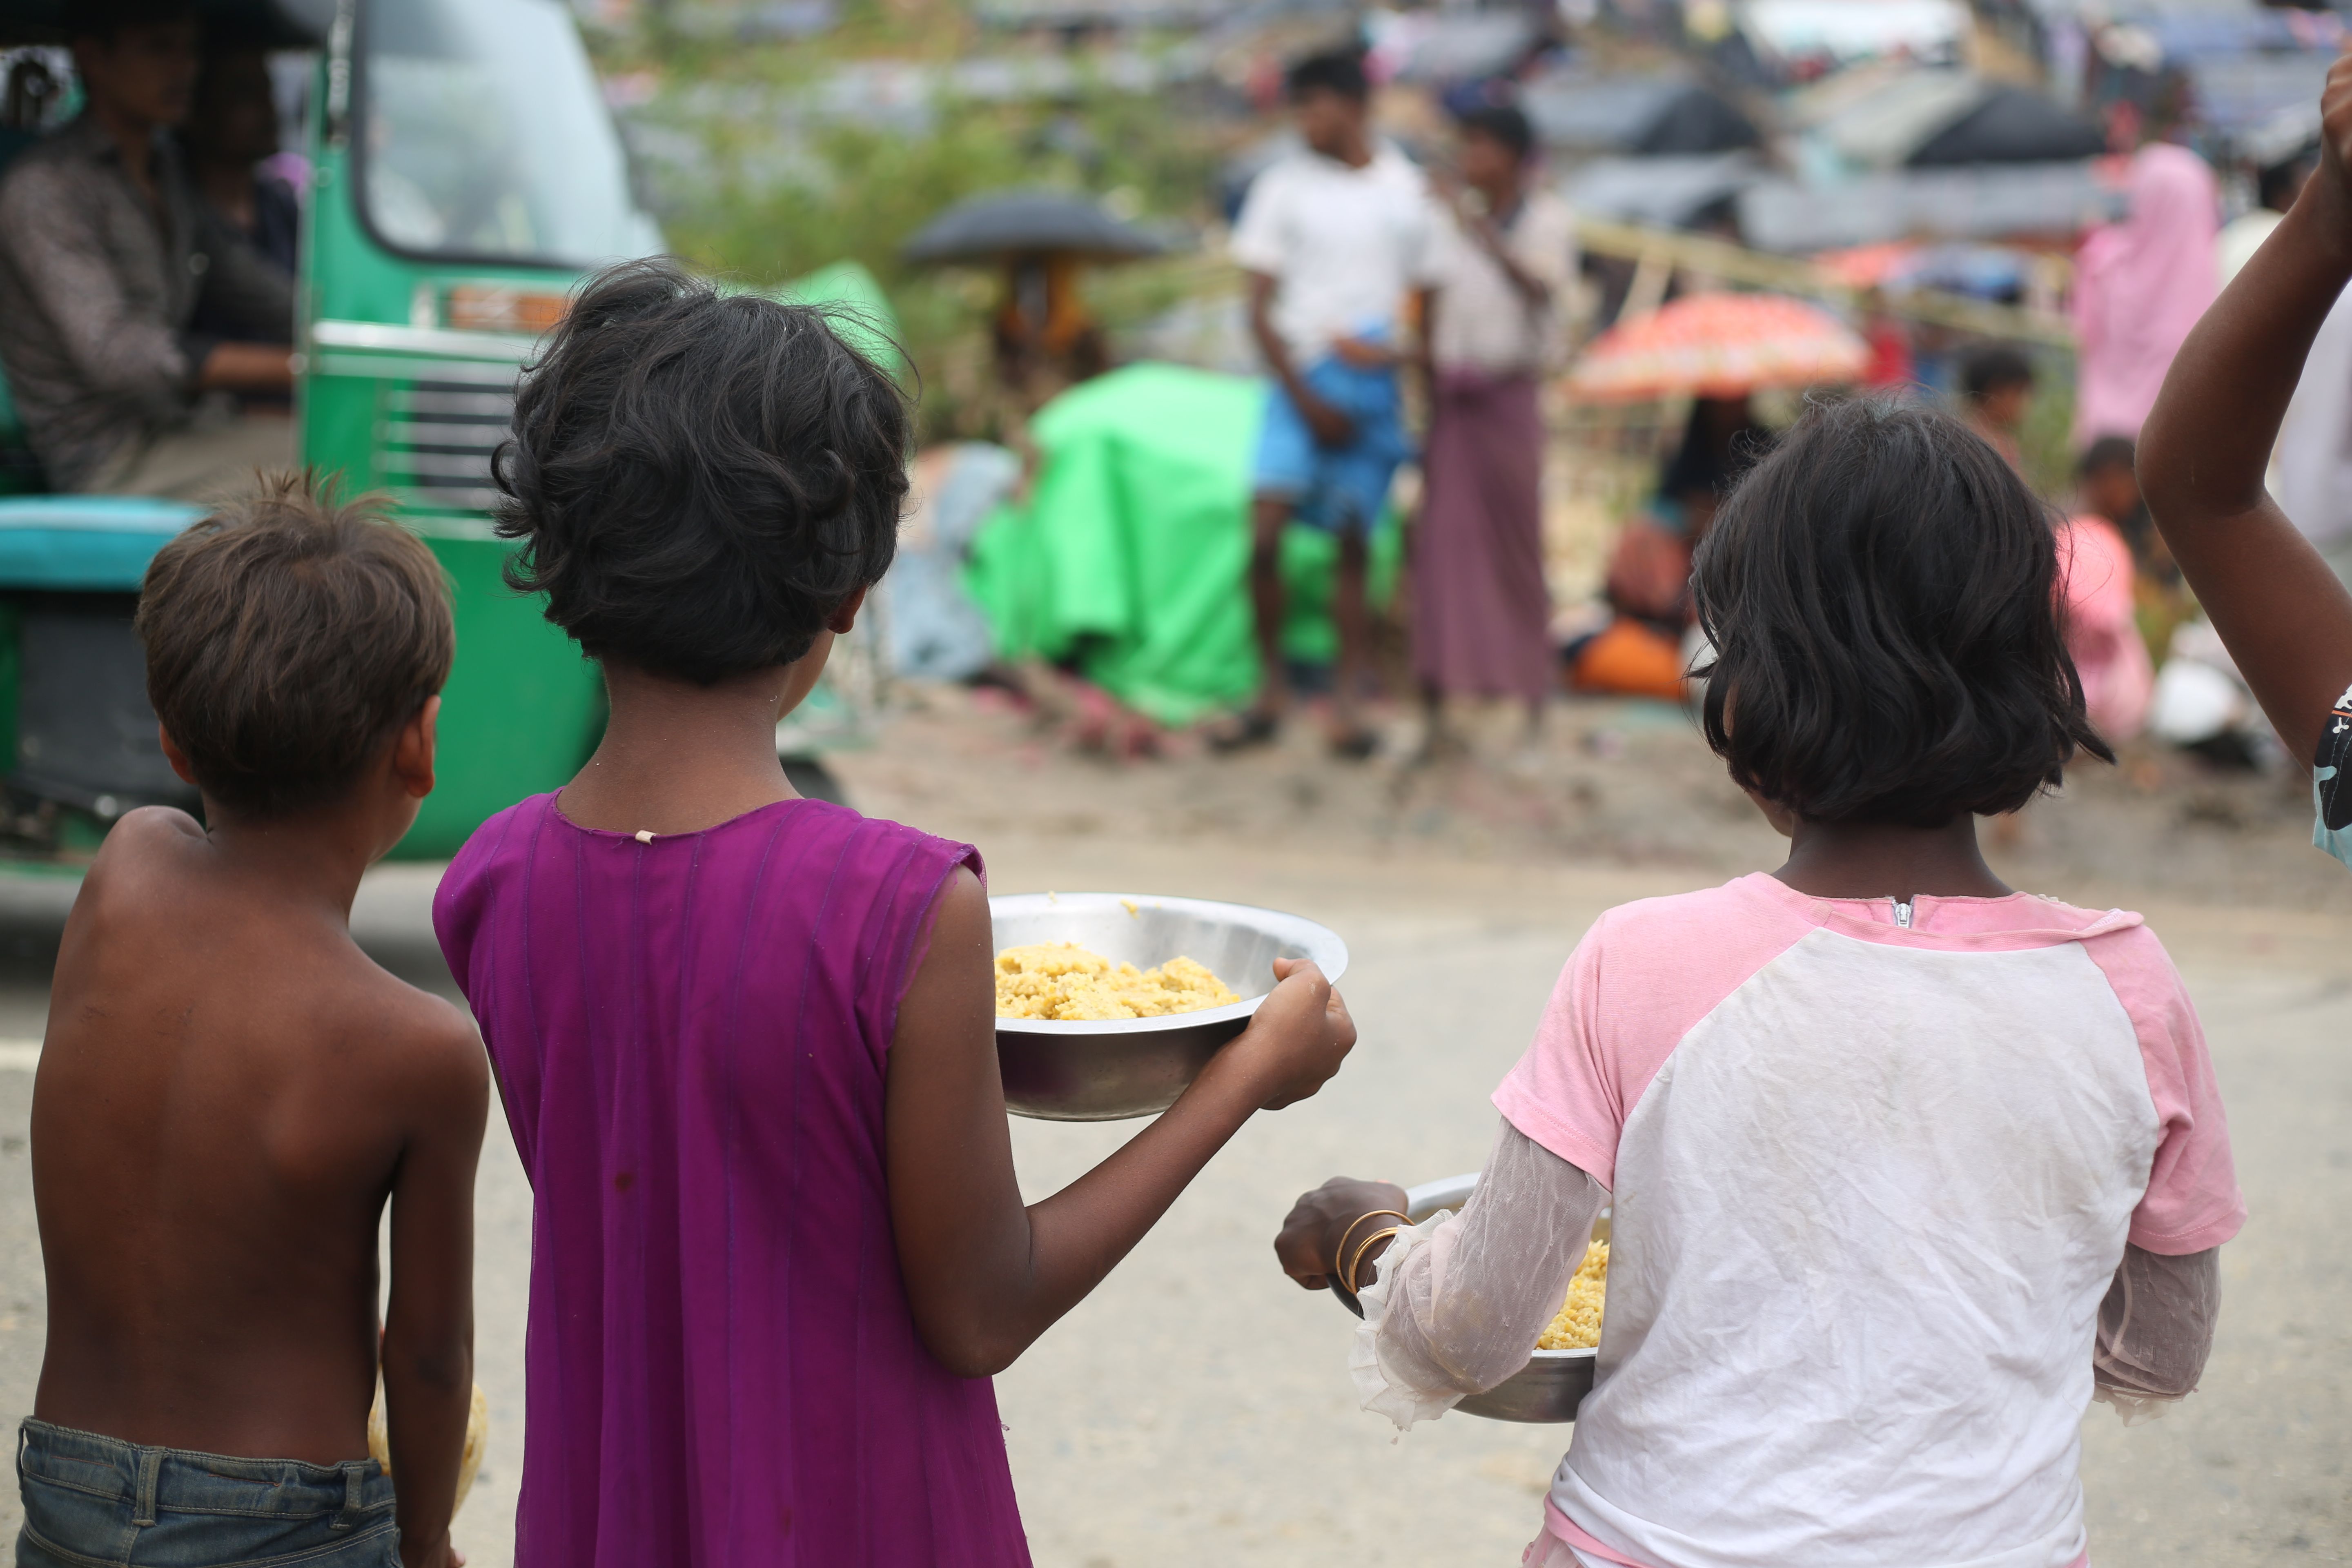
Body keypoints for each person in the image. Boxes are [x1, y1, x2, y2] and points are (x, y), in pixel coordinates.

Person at [433, 259, 1359, 1566]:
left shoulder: (493, 882)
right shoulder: (900, 907)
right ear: (851, 589)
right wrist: (1243, 1075)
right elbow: (982, 1307)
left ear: (559, 555)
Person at [1278, 398, 2239, 1568]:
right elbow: (2160, 1351)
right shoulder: (2129, 991)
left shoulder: (1644, 961)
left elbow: (1475, 1328)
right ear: (2029, 678)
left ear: (1755, 687)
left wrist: (1367, 1237)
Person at [24, 473, 485, 1568]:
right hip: (283, 1522)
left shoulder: (124, 869)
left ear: (175, 745)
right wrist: (425, 1543)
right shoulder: (420, 1048)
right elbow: (426, 1357)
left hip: (69, 1487)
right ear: (419, 745)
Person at [1218, 49, 1440, 757]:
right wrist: (1306, 394)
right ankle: (1271, 688)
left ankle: (1348, 697)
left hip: (1369, 387)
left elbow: (1430, 309)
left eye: (1312, 105)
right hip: (1298, 379)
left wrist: (1395, 360)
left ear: (1352, 105)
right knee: (1264, 535)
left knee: (1352, 546)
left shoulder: (1408, 193)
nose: (1302, 121)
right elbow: (1257, 310)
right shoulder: (1282, 188)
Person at [0, 1, 294, 497]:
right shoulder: (46, 189)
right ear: (94, 58)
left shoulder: (167, 173)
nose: (184, 69)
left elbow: (245, 281)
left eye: (190, 51)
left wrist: (335, 325)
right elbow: (122, 356)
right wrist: (300, 366)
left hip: (184, 429)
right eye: (160, 49)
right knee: (338, 465)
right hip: (110, 461)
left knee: (341, 439)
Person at [1414, 101, 1574, 754]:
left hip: (1509, 398)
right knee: (1442, 550)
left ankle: (1531, 695)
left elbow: (1541, 290)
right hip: (1454, 404)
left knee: (1516, 546)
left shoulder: (1547, 222)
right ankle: (1441, 702)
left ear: (1511, 155)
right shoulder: (1440, 225)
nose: (1470, 160)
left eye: (1480, 146)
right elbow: (1424, 304)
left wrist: (1480, 232)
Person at [2071, 138, 2218, 448]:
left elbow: (2085, 334)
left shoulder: (2105, 264)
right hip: (2168, 455)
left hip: (2104, 447)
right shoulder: (2217, 289)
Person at [183, 45, 299, 278]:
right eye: (247, 95)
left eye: (269, 92)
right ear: (197, 113)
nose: (270, 110)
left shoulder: (280, 206)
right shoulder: (180, 208)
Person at [1956, 342, 2035, 473]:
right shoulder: (2000, 446)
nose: (2025, 403)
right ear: (1997, 391)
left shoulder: (1957, 433)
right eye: (2020, 393)